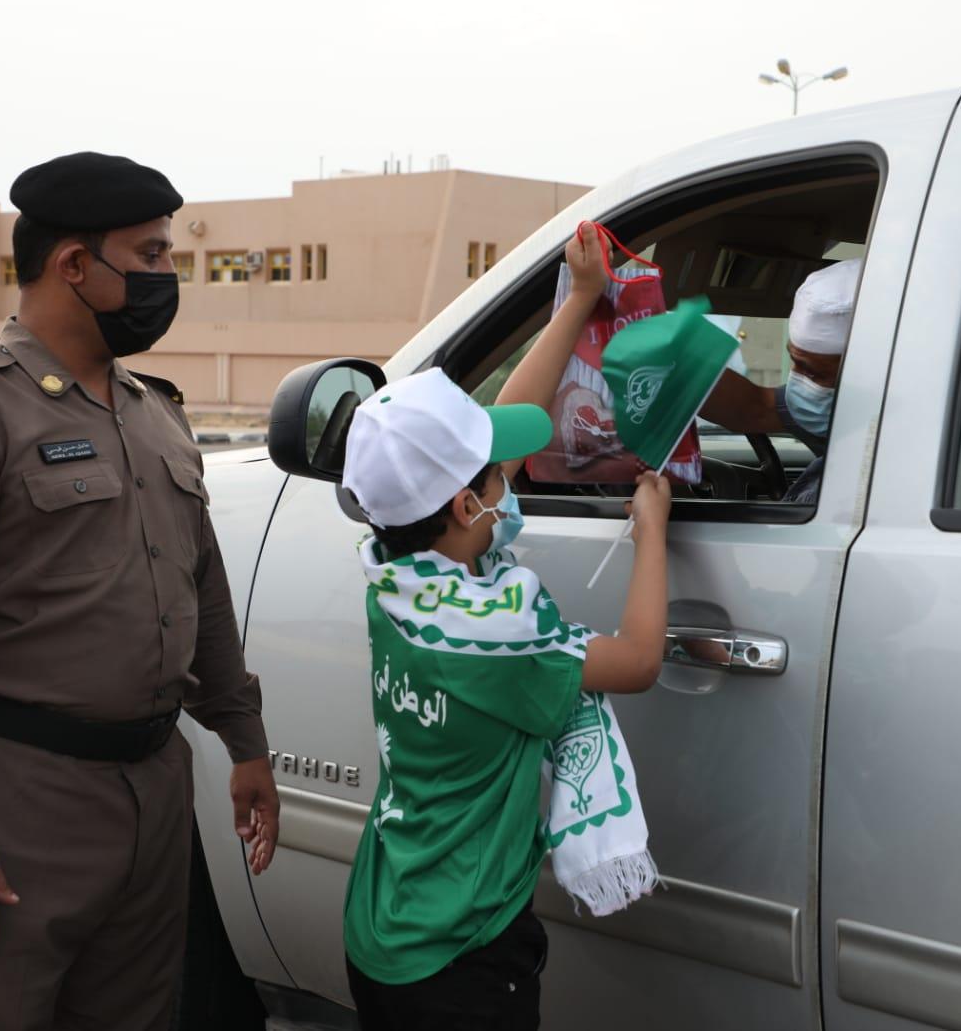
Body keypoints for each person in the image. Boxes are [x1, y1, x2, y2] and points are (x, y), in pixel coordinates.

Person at [0, 151, 279, 1031]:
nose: (169, 277)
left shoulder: (154, 412)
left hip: (148, 797)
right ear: (74, 265)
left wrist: (244, 740)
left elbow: (200, 589)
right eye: (153, 256)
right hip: (8, 799)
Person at [337, 226, 673, 1030]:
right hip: (462, 958)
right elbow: (634, 662)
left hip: (385, 926)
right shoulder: (499, 639)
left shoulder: (397, 576)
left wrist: (582, 297)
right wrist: (654, 532)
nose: (507, 481)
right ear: (463, 505)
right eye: (495, 475)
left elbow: (498, 435)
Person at [700, 257, 862, 503]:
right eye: (794, 361)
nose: (797, 380)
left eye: (812, 372)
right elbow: (754, 408)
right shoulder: (847, 411)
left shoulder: (861, 490)